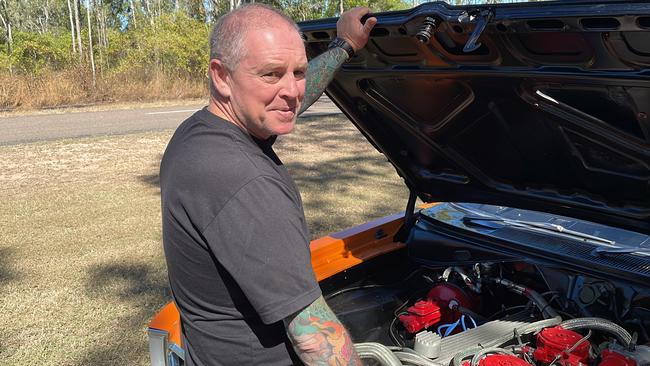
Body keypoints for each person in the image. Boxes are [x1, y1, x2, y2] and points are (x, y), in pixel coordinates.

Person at [160, 4, 377, 366]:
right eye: (271, 74)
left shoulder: (199, 135)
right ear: (221, 76)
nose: (291, 91)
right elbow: (314, 340)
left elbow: (286, 100)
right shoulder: (244, 180)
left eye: (299, 72)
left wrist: (345, 45)